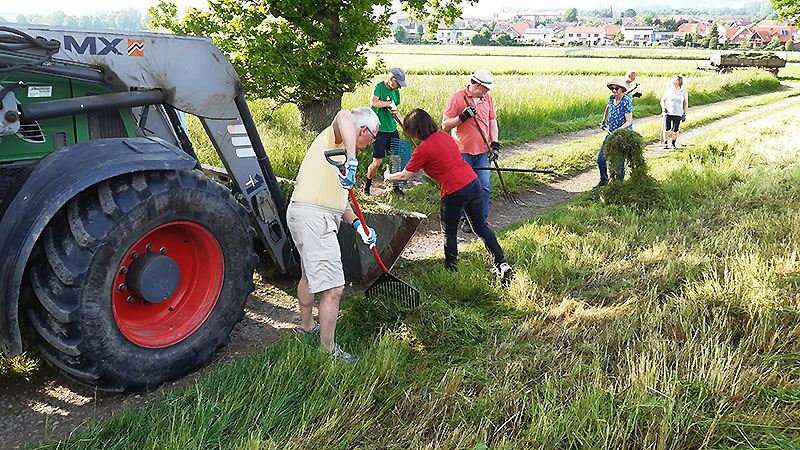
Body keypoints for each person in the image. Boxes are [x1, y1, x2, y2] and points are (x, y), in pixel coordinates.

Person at [287, 107, 380, 362]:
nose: (368, 146)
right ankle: (328, 353)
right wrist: (352, 159)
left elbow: (341, 204)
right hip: (314, 218)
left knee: (310, 275)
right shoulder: (337, 138)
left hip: (305, 213)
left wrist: (360, 226)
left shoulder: (336, 156)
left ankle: (306, 328)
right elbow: (343, 115)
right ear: (363, 131)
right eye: (370, 139)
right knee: (334, 288)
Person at [385, 108, 513, 281]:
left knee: (449, 232)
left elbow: (404, 176)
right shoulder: (445, 136)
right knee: (480, 227)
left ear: (415, 131)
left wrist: (388, 176)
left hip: (454, 191)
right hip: (473, 184)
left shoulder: (422, 150)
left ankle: (451, 270)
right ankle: (501, 263)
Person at [441, 69, 500, 234]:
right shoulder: (457, 98)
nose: (488, 91)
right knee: (464, 188)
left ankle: (480, 220)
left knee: (484, 186)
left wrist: (494, 143)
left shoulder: (487, 98)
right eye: (486, 88)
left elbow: (492, 121)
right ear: (477, 85)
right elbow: (445, 125)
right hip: (462, 152)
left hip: (483, 151)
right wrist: (462, 117)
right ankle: (465, 220)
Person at [366, 67, 407, 197]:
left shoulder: (396, 92)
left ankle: (396, 187)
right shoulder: (379, 87)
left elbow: (396, 111)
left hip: (392, 130)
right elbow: (373, 103)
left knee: (396, 159)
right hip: (379, 131)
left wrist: (403, 125)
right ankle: (367, 187)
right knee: (377, 162)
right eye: (398, 84)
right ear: (391, 79)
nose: (399, 87)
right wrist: (388, 103)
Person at [597, 77, 633, 187]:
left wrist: (618, 130)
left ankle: (619, 185)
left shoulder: (626, 101)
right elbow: (607, 108)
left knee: (619, 163)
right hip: (611, 133)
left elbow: (629, 121)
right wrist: (603, 121)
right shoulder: (611, 98)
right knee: (601, 160)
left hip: (622, 135)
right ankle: (604, 180)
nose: (614, 90)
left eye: (616, 88)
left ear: (622, 89)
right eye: (612, 88)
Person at [660, 74, 688, 149]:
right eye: (673, 80)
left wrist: (684, 113)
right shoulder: (669, 90)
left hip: (678, 113)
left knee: (675, 130)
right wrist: (663, 108)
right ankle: (665, 143)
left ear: (679, 82)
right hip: (668, 112)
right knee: (666, 128)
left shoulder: (683, 91)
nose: (673, 81)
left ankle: (673, 143)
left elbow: (685, 103)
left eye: (675, 80)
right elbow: (663, 100)